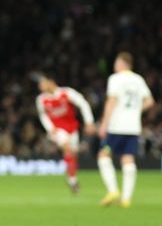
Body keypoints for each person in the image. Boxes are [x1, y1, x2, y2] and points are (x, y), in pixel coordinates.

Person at [97, 52, 153, 208]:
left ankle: (113, 190)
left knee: (103, 155)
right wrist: (136, 111)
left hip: (116, 126)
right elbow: (150, 101)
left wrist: (104, 123)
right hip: (133, 126)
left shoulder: (115, 79)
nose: (115, 65)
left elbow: (111, 101)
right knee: (128, 159)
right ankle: (126, 199)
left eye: (116, 62)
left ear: (122, 63)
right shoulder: (138, 79)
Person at [35, 74, 95, 193]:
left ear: (51, 82)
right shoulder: (41, 99)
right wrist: (50, 128)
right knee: (68, 148)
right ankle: (80, 149)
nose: (40, 86)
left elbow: (83, 103)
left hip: (72, 128)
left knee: (71, 156)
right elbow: (42, 115)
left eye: (42, 83)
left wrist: (89, 122)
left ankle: (72, 180)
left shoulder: (66, 93)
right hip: (57, 130)